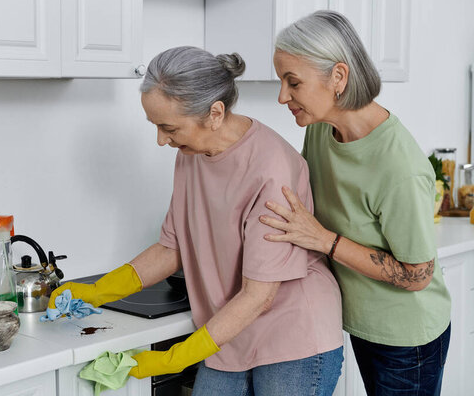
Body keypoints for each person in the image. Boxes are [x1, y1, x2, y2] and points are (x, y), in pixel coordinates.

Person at [47, 46, 344, 395]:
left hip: (294, 336)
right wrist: (98, 291)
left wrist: (176, 358)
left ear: (215, 113)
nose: (161, 140)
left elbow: (259, 296)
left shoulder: (270, 169)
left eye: (168, 127)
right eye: (156, 126)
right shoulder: (191, 153)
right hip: (229, 330)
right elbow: (172, 246)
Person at [258, 10, 452, 396]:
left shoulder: (399, 165)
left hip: (406, 338)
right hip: (356, 319)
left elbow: (418, 275)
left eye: (292, 82)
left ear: (338, 77)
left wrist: (324, 240)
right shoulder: (320, 129)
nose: (282, 96)